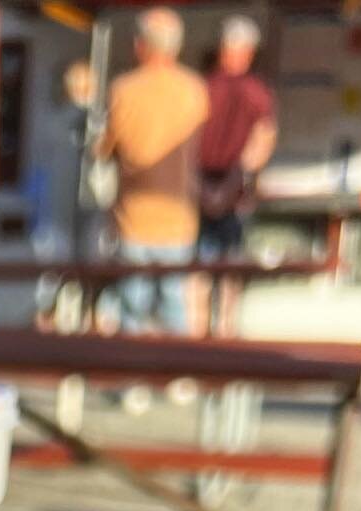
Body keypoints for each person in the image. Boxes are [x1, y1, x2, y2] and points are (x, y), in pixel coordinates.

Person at [98, 8, 209, 336]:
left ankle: (131, 379)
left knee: (133, 303)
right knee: (175, 301)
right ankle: (180, 377)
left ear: (141, 45)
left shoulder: (123, 90)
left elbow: (106, 148)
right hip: (180, 215)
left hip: (133, 216)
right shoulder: (194, 90)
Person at [198, 16, 277, 262]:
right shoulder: (258, 93)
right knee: (228, 269)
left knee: (201, 267)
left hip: (206, 189)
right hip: (231, 191)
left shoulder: (201, 87)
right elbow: (261, 146)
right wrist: (230, 187)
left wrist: (209, 191)